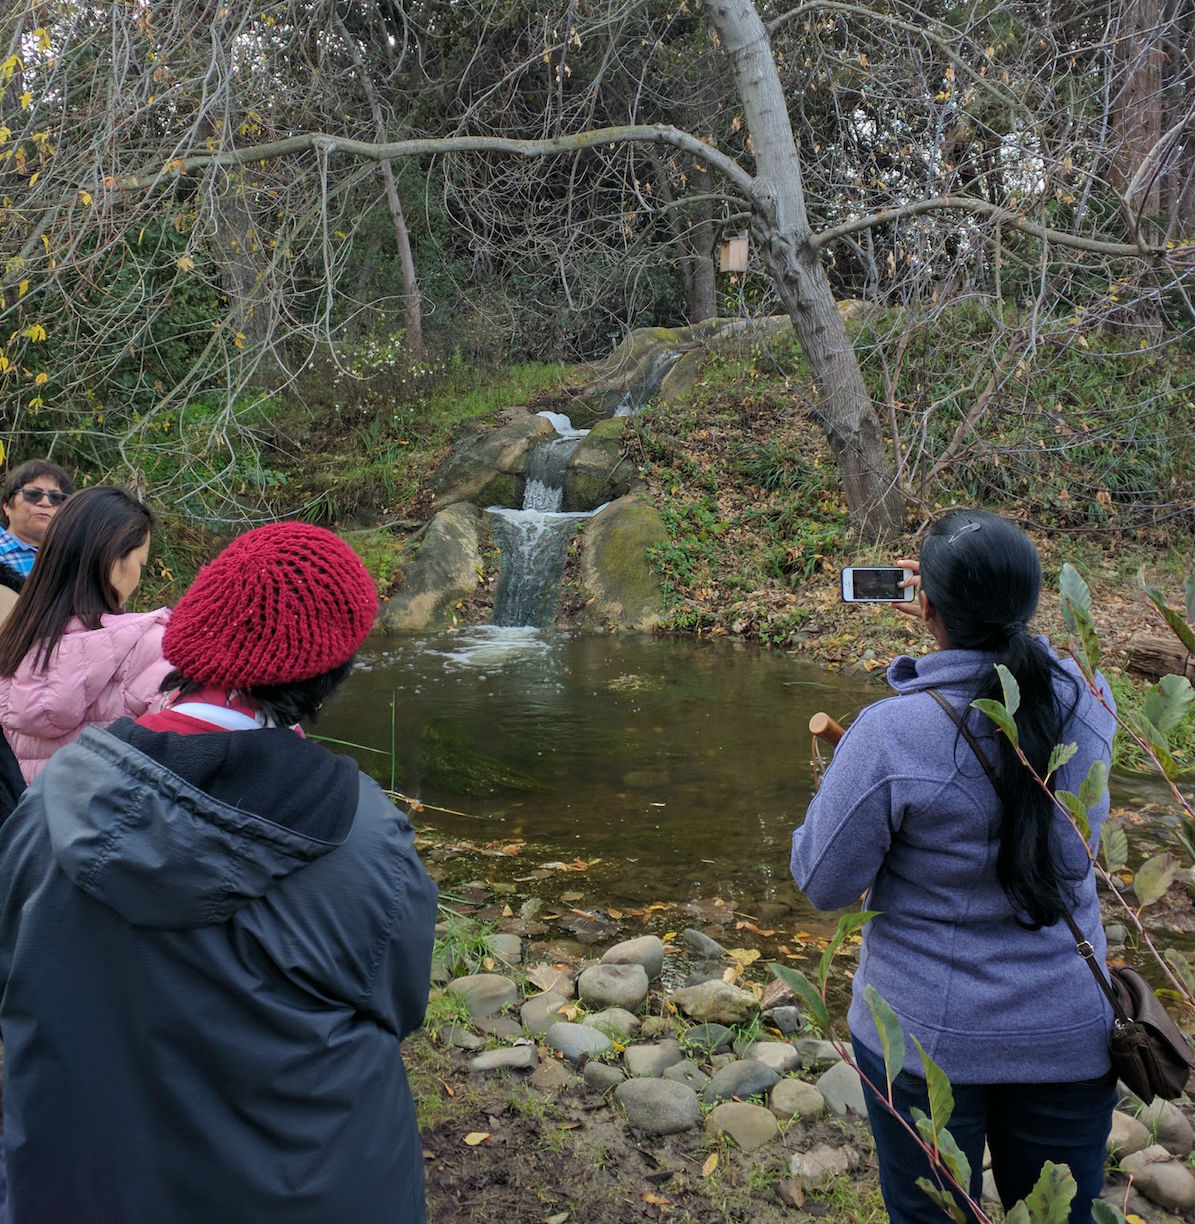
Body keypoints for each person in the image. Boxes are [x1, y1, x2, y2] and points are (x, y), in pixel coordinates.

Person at [0, 521, 437, 1224]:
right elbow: (399, 1004)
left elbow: (15, 971)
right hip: (308, 1188)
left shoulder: (52, 801)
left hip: (83, 1182)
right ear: (331, 671)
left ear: (190, 638)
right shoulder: (366, 837)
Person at [790, 510, 1117, 1224]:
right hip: (1069, 1031)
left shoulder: (890, 735)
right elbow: (1043, 666)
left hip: (926, 1044)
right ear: (1030, 602)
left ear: (926, 606)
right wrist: (958, 624)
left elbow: (825, 883)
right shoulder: (1088, 701)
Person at [0, 486, 170, 782]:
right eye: (139, 563)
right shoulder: (150, 647)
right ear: (113, 559)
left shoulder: (13, 644)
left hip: (30, 822)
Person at [0, 460, 73, 578]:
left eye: (56, 497)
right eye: (33, 494)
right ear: (6, 506)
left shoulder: (73, 556)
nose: (45, 503)